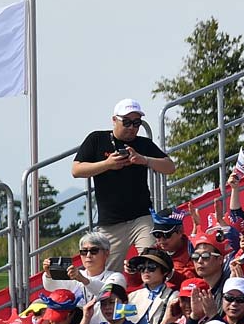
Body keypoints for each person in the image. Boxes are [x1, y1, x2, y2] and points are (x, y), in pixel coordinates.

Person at [70, 99, 178, 269]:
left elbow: (170, 167)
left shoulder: (143, 143)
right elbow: (76, 170)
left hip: (141, 217)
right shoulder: (97, 139)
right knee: (107, 273)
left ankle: (153, 293)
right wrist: (107, 164)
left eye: (137, 123)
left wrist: (144, 160)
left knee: (152, 262)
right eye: (126, 122)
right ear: (114, 120)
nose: (131, 127)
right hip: (111, 222)